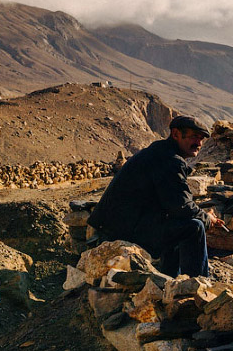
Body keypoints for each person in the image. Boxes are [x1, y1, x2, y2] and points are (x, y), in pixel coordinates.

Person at [87, 115, 222, 277]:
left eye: (201, 139)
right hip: (124, 229)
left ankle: (170, 279)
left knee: (177, 225)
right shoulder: (170, 161)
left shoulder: (159, 152)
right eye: (194, 137)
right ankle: (197, 287)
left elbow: (175, 203)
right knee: (194, 227)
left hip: (120, 224)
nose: (199, 143)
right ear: (175, 134)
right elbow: (181, 207)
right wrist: (208, 219)